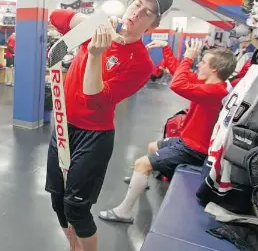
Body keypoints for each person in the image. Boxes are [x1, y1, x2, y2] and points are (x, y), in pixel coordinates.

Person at [45, 0, 173, 251]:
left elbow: (94, 99)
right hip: (64, 127)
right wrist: (91, 22)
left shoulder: (141, 63)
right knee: (57, 199)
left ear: (153, 25)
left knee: (76, 206)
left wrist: (95, 54)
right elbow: (55, 16)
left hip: (94, 136)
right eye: (137, 4)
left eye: (147, 12)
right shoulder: (98, 29)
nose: (137, 13)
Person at [98, 38, 237, 224]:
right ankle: (143, 180)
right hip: (187, 140)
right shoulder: (210, 85)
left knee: (141, 164)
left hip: (194, 150)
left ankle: (124, 212)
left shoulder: (216, 92)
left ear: (214, 69)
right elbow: (177, 72)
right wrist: (166, 49)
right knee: (151, 146)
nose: (199, 64)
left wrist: (188, 58)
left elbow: (177, 84)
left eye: (203, 62)